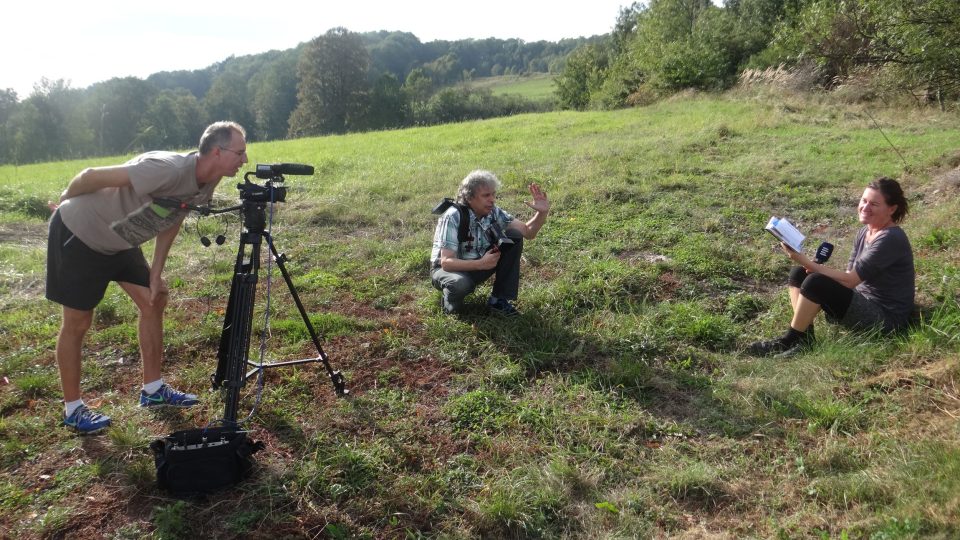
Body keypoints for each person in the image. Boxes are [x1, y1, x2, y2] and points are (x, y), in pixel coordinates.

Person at [46, 121, 248, 434]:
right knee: (78, 322)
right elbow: (89, 176)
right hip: (81, 233)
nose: (244, 160)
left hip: (122, 241)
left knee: (155, 298)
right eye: (240, 152)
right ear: (217, 152)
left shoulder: (208, 181)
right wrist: (63, 203)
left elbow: (174, 217)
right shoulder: (165, 169)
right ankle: (73, 409)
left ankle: (152, 390)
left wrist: (156, 273)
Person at [749, 177, 915, 357]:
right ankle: (804, 338)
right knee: (800, 274)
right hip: (863, 300)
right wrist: (812, 270)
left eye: (874, 204)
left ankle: (789, 340)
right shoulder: (864, 232)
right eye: (864, 201)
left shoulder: (890, 238)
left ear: (892, 209)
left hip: (884, 319)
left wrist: (806, 262)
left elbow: (851, 280)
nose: (865, 208)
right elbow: (849, 275)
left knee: (815, 281)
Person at [431, 170, 550, 316]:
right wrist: (481, 263)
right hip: (448, 271)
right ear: (469, 197)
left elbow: (527, 232)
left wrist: (542, 213)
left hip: (480, 263)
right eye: (486, 195)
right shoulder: (453, 216)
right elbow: (446, 262)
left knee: (514, 236)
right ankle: (450, 301)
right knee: (460, 285)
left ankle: (498, 301)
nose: (492, 199)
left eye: (493, 194)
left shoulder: (493, 212)